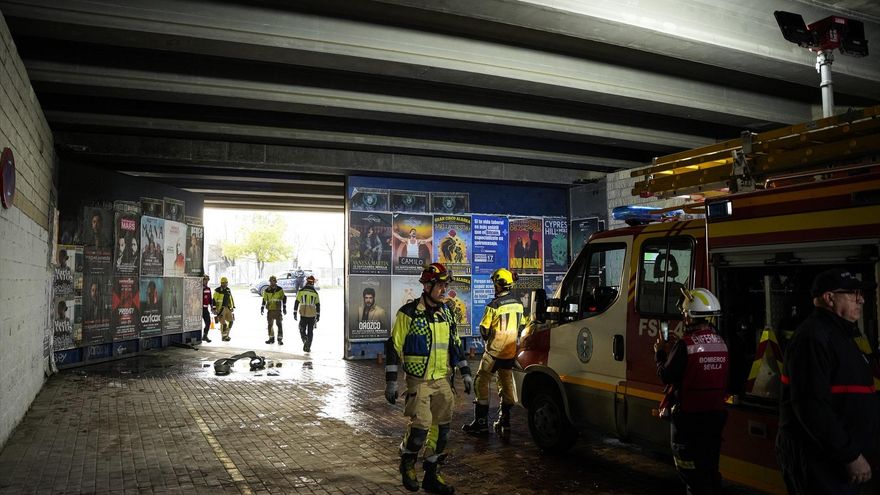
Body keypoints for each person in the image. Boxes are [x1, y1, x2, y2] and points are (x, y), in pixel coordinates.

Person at [776, 268, 878, 494]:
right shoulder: (813, 338)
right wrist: (850, 455)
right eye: (852, 293)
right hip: (820, 461)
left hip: (835, 459)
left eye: (860, 293)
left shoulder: (840, 334)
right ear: (829, 298)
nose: (861, 299)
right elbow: (811, 405)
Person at [384, 262, 474, 494]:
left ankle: (432, 475)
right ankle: (407, 461)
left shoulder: (447, 313)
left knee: (442, 429)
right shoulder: (409, 313)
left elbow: (455, 344)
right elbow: (394, 346)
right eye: (440, 285)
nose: (444, 290)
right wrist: (392, 381)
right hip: (419, 381)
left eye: (446, 285)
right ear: (427, 285)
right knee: (421, 426)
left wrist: (465, 372)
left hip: (443, 379)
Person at [654, 287, 729, 495]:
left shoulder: (685, 345)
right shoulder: (723, 343)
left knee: (691, 473)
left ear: (688, 316)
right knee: (710, 469)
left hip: (688, 420)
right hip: (715, 418)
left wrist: (660, 354)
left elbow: (666, 376)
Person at [463, 268, 525, 437]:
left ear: (499, 285)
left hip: (493, 354)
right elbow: (522, 326)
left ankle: (481, 424)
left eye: (494, 284)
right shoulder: (519, 304)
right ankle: (505, 421)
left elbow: (484, 330)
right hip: (509, 354)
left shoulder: (493, 306)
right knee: (506, 387)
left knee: (481, 382)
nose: (493, 286)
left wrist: (492, 338)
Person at [294, 275, 320, 352]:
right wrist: (318, 315)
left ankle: (305, 340)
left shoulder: (301, 291)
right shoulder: (315, 293)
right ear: (313, 283)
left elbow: (297, 302)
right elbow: (318, 305)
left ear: (306, 281)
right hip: (312, 315)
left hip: (303, 314)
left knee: (302, 329)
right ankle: (308, 346)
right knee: (310, 331)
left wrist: (295, 312)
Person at [261, 275, 288, 345]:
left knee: (279, 324)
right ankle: (271, 338)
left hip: (278, 310)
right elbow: (264, 299)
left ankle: (279, 339)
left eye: (273, 281)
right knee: (270, 325)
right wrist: (262, 307)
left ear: (276, 282)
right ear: (269, 282)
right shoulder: (266, 290)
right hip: (270, 310)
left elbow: (284, 298)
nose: (272, 282)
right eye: (271, 281)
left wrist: (284, 307)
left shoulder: (280, 289)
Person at [212, 276, 235, 342]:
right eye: (223, 283)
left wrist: (232, 307)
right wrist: (214, 309)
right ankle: (223, 336)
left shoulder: (228, 290)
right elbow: (214, 300)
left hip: (228, 308)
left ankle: (227, 335)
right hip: (220, 309)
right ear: (221, 283)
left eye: (226, 283)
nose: (225, 284)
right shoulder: (217, 290)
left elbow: (231, 299)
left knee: (231, 321)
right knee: (224, 324)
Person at [201, 275, 213, 343]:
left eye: (207, 280)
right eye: (205, 280)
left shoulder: (208, 289)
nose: (206, 281)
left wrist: (212, 307)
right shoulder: (198, 288)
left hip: (205, 309)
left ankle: (205, 336)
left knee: (208, 323)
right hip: (198, 309)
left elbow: (210, 299)